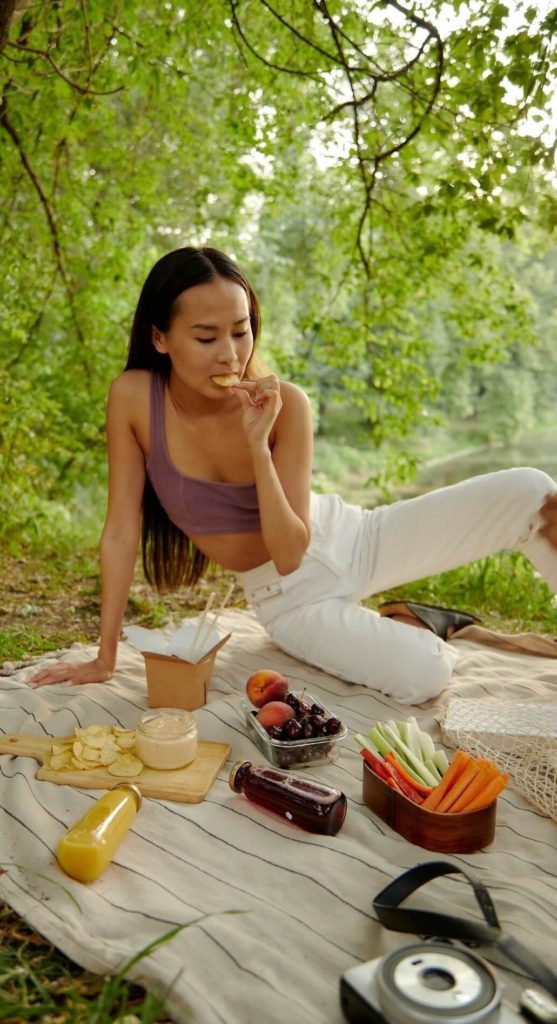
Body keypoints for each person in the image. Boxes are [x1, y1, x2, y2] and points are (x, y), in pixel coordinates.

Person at [31, 246, 557, 703]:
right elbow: (126, 532)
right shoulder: (133, 399)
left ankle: (403, 613)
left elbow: (297, 538)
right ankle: (414, 622)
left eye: (241, 332)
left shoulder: (288, 404)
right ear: (161, 338)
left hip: (356, 536)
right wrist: (104, 658)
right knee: (426, 673)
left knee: (533, 492)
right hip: (289, 597)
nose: (231, 353)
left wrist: (258, 444)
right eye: (206, 336)